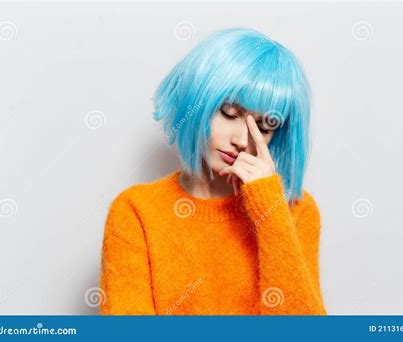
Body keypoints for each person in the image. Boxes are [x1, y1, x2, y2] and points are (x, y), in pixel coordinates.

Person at [98, 27, 327, 315]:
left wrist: (269, 209)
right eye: (230, 113)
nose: (242, 140)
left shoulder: (295, 211)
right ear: (197, 103)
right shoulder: (136, 212)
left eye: (264, 127)